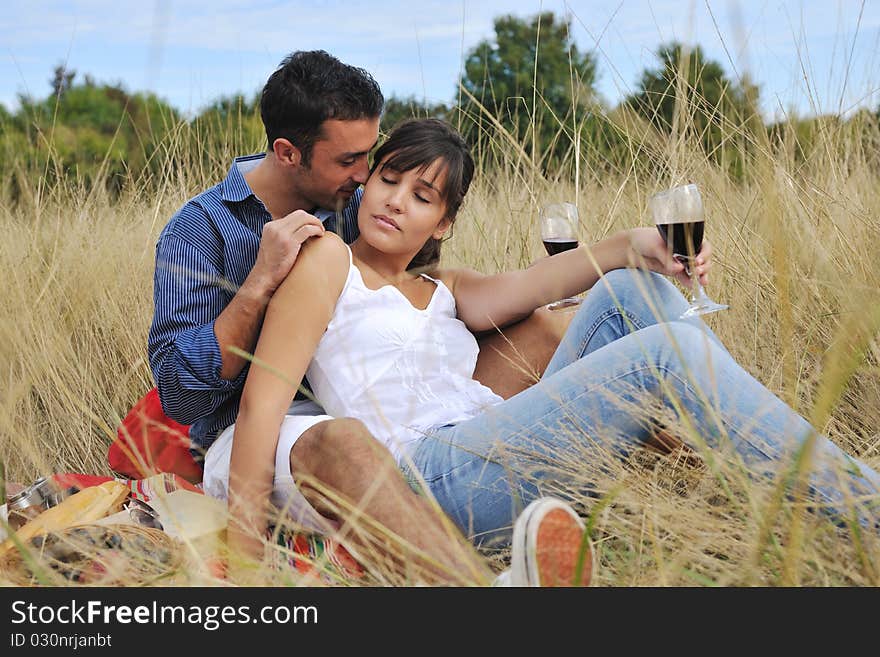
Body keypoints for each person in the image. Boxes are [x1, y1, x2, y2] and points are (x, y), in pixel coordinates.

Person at [230, 117, 880, 573]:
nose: (397, 202)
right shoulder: (326, 263)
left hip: (495, 450)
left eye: (422, 196)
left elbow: (541, 282)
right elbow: (263, 403)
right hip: (425, 479)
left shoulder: (447, 286)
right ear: (367, 182)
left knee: (630, 289)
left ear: (445, 221)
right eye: (389, 180)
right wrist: (243, 551)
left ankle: (756, 478)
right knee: (659, 357)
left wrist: (639, 245)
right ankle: (863, 508)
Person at [148, 50, 584, 585]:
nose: (364, 175)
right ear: (288, 153)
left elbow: (413, 292)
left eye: (370, 157)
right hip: (267, 435)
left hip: (385, 421)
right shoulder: (199, 231)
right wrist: (259, 285)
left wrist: (572, 279)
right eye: (349, 160)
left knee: (543, 329)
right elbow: (178, 394)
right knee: (342, 437)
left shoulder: (357, 201)